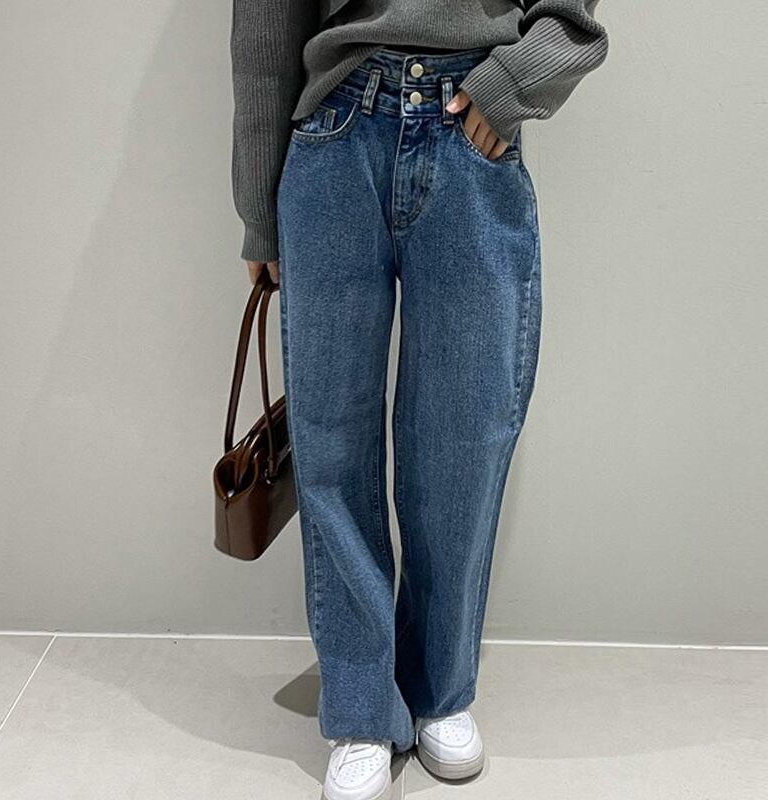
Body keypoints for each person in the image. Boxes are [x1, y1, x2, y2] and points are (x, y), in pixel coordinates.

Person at [230, 2, 609, 798]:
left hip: (471, 127)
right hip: (335, 133)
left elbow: (571, 14)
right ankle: (362, 706)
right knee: (332, 441)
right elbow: (265, 24)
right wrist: (258, 210)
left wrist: (510, 87)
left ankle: (440, 688)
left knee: (464, 436)